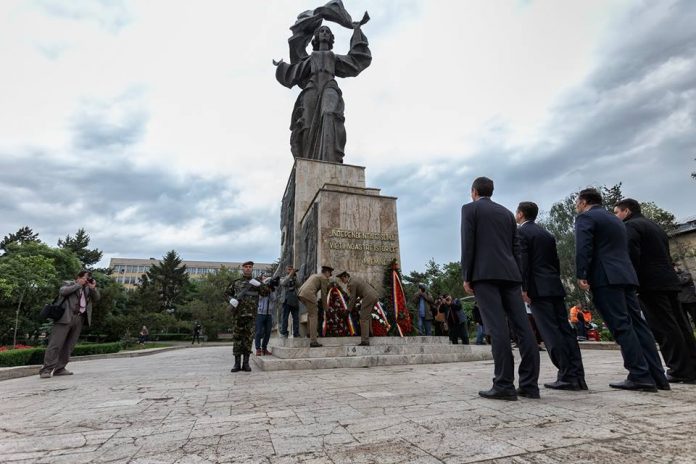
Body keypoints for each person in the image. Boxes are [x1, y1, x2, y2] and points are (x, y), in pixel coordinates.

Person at [575, 188, 668, 392]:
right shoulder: (614, 219)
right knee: (638, 325)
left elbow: (584, 246)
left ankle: (639, 375)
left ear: (583, 201)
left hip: (605, 277)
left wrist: (581, 273)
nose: (576, 205)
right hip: (625, 275)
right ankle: (657, 375)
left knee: (621, 326)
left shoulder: (586, 218)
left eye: (577, 201)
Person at [461, 177, 540, 400]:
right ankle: (530, 385)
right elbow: (517, 250)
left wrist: (467, 275)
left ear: (474, 191)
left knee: (498, 329)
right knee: (523, 329)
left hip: (485, 275)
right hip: (511, 276)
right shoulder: (506, 213)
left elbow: (468, 243)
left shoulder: (470, 209)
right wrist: (520, 280)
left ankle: (504, 384)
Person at [614, 198, 696, 383]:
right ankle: (691, 365)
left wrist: (631, 281)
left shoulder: (631, 227)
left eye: (617, 212)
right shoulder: (654, 225)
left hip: (650, 283)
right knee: (680, 324)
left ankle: (678, 369)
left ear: (626, 211)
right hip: (669, 281)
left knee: (663, 327)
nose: (616, 217)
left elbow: (631, 255)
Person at [274, 15, 371, 163]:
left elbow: (354, 61)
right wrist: (282, 66)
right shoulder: (311, 57)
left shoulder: (333, 57)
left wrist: (357, 30)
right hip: (312, 88)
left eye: (327, 31)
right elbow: (296, 71)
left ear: (331, 38)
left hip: (329, 86)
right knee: (306, 125)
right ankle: (307, 162)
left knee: (330, 114)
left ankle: (331, 160)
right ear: (316, 37)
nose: (324, 33)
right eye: (322, 31)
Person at [516, 201, 587, 391]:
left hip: (537, 289)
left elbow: (524, 262)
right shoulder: (546, 234)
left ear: (521, 214)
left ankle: (567, 374)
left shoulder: (521, 233)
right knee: (565, 331)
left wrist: (524, 287)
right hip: (554, 285)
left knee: (550, 333)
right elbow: (555, 262)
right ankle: (577, 374)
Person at [39, 270, 100, 379]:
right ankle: (46, 370)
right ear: (78, 277)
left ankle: (60, 368)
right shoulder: (69, 284)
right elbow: (63, 292)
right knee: (55, 345)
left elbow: (97, 298)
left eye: (88, 278)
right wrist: (78, 285)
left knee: (69, 346)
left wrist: (92, 288)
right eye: (85, 278)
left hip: (79, 319)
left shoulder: (87, 288)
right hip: (65, 318)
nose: (87, 280)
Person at [226, 261, 269, 372]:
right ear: (242, 269)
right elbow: (226, 293)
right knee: (237, 339)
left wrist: (260, 285)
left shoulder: (256, 282)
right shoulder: (236, 283)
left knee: (248, 339)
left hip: (251, 316)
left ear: (252, 269)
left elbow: (266, 293)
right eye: (246, 267)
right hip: (238, 315)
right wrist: (231, 300)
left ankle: (246, 363)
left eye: (250, 267)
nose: (248, 269)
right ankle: (236, 364)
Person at [337, 271, 379, 346]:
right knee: (367, 315)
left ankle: (365, 340)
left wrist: (348, 310)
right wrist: (357, 300)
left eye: (342, 279)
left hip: (368, 297)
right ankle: (370, 332)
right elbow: (360, 292)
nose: (342, 281)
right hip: (374, 295)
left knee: (363, 317)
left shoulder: (351, 283)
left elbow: (352, 298)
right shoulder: (355, 279)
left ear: (346, 277)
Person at [298, 265, 333, 347]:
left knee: (310, 314)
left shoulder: (315, 275)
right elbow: (324, 294)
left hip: (301, 294)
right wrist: (326, 308)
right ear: (327, 272)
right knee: (314, 316)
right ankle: (313, 341)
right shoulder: (324, 278)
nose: (330, 276)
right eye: (330, 274)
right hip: (309, 295)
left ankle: (309, 333)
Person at [255, 277, 277, 356]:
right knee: (259, 332)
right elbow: (260, 298)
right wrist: (264, 288)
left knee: (268, 332)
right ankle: (258, 349)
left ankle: (264, 348)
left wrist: (271, 290)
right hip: (260, 313)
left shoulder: (272, 290)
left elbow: (274, 299)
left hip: (269, 314)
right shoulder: (260, 289)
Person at [280, 266, 301, 338]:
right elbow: (283, 283)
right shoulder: (283, 278)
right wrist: (290, 275)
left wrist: (295, 276)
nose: (291, 271)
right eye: (289, 269)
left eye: (291, 269)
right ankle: (284, 332)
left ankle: (296, 333)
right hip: (286, 300)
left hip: (294, 300)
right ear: (286, 270)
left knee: (296, 318)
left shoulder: (294, 277)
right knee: (285, 317)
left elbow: (298, 284)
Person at [676, 264, 696, 330]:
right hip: (680, 302)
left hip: (691, 300)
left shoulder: (686, 274)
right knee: (685, 323)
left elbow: (682, 281)